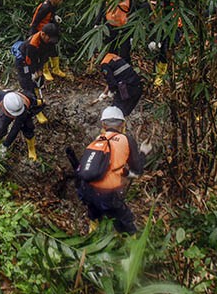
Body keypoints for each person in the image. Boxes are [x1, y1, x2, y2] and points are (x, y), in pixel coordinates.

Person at [76, 106, 150, 234]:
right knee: (124, 218)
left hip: (86, 189)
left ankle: (92, 235)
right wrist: (144, 152)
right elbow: (137, 171)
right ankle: (130, 244)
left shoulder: (98, 140)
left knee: (94, 210)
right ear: (123, 124)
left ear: (103, 124)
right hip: (107, 193)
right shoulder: (126, 140)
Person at [13, 22, 59, 124]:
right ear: (43, 34)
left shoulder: (49, 41)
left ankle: (38, 98)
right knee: (28, 83)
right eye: (49, 38)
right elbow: (29, 61)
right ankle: (35, 109)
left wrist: (40, 69)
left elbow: (45, 55)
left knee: (39, 82)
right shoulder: (32, 44)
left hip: (36, 61)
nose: (51, 41)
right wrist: (33, 72)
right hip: (24, 62)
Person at [28, 0, 67, 80]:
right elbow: (35, 21)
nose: (61, 0)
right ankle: (45, 71)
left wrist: (54, 17)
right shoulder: (45, 7)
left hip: (50, 31)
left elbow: (51, 14)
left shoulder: (53, 5)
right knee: (44, 52)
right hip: (42, 33)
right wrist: (32, 35)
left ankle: (56, 69)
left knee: (53, 49)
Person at [98, 53, 142, 117]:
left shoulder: (104, 64)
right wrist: (105, 93)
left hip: (128, 88)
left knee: (114, 113)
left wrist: (112, 91)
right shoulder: (112, 57)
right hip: (137, 86)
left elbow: (112, 82)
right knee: (122, 114)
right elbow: (117, 77)